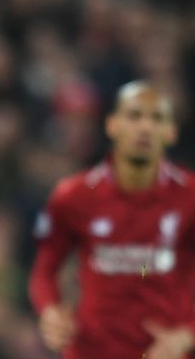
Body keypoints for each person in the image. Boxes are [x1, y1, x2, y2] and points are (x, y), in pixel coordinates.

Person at [29, 81, 195, 359]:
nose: (144, 128)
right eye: (134, 116)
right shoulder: (74, 196)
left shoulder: (190, 196)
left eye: (156, 118)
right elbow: (45, 271)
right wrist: (50, 311)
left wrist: (188, 334)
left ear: (171, 132)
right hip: (91, 350)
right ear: (112, 125)